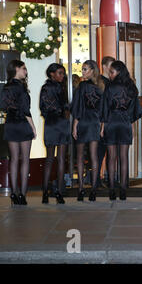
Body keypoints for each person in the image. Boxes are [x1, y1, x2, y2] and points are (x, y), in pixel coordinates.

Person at [101, 61, 142, 201]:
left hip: (111, 123)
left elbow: (105, 108)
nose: (110, 74)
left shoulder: (110, 87)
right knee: (124, 157)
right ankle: (123, 189)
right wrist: (130, 123)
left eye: (112, 72)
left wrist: (103, 126)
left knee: (111, 157)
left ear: (118, 72)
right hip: (125, 123)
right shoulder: (131, 87)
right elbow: (135, 110)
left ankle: (112, 189)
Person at [0, 60, 36, 206]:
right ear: (16, 69)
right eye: (24, 69)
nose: (26, 72)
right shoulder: (21, 87)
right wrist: (33, 128)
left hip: (10, 125)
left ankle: (14, 194)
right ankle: (23, 195)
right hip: (22, 124)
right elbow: (26, 110)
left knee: (14, 160)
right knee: (25, 160)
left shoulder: (6, 87)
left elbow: (2, 107)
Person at [71, 60, 105, 202]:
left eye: (85, 69)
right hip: (95, 123)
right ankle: (93, 190)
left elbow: (77, 107)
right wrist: (102, 126)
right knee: (94, 157)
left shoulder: (82, 86)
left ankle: (80, 189)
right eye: (82, 69)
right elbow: (104, 109)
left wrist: (74, 125)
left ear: (92, 70)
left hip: (84, 122)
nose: (82, 72)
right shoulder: (102, 86)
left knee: (80, 157)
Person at [39, 63, 71, 204]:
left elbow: (43, 108)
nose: (62, 76)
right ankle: (58, 193)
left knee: (50, 158)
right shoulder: (58, 88)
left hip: (51, 124)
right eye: (59, 73)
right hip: (60, 124)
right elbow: (64, 108)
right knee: (60, 158)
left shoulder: (45, 88)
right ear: (52, 73)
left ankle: (45, 193)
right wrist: (64, 112)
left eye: (63, 73)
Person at [97, 56, 114, 188]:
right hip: (101, 121)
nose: (112, 69)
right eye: (111, 66)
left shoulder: (109, 82)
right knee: (100, 151)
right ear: (104, 66)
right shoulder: (101, 82)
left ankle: (108, 178)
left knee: (108, 151)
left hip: (107, 121)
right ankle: (97, 179)